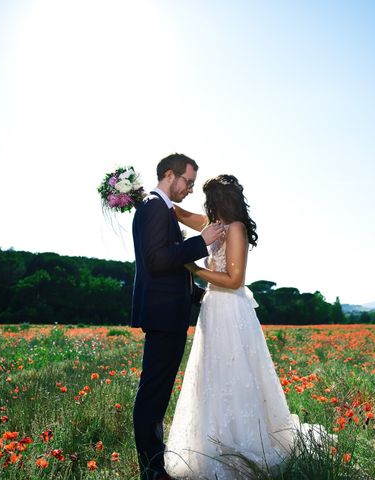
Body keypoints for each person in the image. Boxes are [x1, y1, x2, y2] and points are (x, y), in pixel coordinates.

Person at [164, 174, 334, 479]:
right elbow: (181, 214)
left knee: (236, 372)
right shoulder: (213, 225)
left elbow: (234, 280)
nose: (204, 204)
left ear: (218, 200)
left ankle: (244, 441)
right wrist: (144, 197)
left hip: (230, 309)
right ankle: (215, 441)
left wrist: (192, 267)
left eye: (208, 199)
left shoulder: (237, 229)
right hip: (213, 310)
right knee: (212, 374)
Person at [131, 154, 225, 480]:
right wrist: (202, 242)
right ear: (169, 175)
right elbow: (157, 260)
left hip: (169, 313)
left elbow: (171, 266)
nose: (189, 189)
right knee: (153, 394)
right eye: (187, 182)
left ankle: (154, 464)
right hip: (162, 315)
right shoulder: (153, 209)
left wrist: (200, 295)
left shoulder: (161, 209)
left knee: (157, 394)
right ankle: (152, 469)